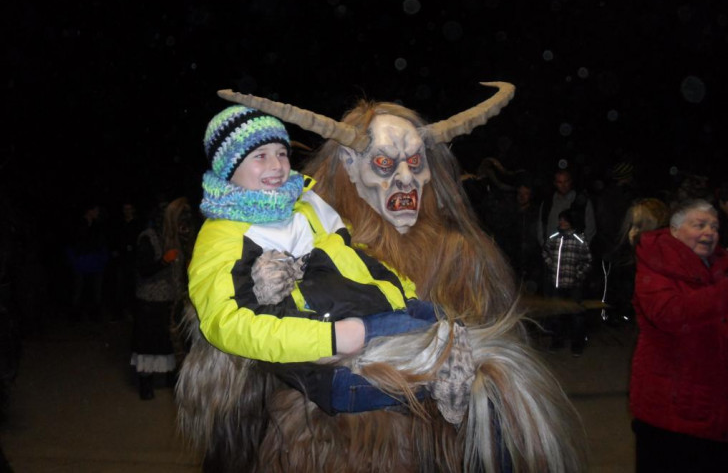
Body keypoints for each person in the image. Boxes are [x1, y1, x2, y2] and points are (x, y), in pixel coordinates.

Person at [177, 84, 588, 473]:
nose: (405, 179)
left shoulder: (456, 253)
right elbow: (230, 331)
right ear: (349, 166)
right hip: (330, 408)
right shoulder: (237, 235)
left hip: (423, 422)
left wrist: (411, 305)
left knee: (494, 382)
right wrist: (269, 298)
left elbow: (358, 262)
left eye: (415, 163)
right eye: (384, 163)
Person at [185, 105, 441, 417]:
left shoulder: (307, 204)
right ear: (228, 168)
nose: (277, 165)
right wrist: (333, 338)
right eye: (260, 156)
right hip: (333, 346)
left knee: (445, 323)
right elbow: (225, 321)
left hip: (380, 311)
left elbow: (355, 256)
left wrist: (405, 294)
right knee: (444, 351)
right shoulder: (223, 235)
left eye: (282, 153)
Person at [630, 199, 728, 472]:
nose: (709, 232)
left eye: (714, 227)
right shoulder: (655, 266)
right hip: (671, 412)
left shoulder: (720, 269)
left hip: (715, 409)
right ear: (675, 231)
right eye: (700, 225)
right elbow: (671, 314)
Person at [131, 197, 194, 400]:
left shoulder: (177, 238)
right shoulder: (148, 237)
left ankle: (170, 379)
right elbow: (142, 270)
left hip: (171, 298)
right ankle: (146, 383)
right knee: (148, 343)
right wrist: (163, 262)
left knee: (170, 342)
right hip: (150, 301)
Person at [602, 197, 670, 324]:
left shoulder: (665, 258)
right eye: (631, 226)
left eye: (639, 226)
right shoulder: (623, 261)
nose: (632, 232)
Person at [542, 209, 593, 356]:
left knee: (576, 315)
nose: (562, 222)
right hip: (557, 283)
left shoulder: (579, 240)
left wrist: (578, 274)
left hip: (574, 285)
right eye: (560, 220)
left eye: (565, 220)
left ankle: (577, 344)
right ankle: (557, 341)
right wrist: (551, 265)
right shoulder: (554, 238)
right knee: (557, 313)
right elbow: (545, 252)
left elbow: (588, 260)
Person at [65, 201, 109, 322]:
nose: (98, 213)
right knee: (78, 291)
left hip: (94, 264)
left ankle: (93, 315)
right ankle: (76, 316)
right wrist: (74, 261)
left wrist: (102, 260)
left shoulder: (98, 226)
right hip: (82, 264)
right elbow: (71, 244)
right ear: (90, 211)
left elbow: (102, 244)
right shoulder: (77, 226)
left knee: (94, 291)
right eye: (96, 210)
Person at [538, 168, 596, 246]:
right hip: (552, 250)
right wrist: (545, 247)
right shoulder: (547, 203)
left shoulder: (582, 202)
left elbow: (590, 229)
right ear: (555, 183)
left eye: (566, 181)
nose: (563, 185)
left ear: (571, 181)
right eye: (560, 182)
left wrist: (581, 248)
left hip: (575, 250)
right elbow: (541, 228)